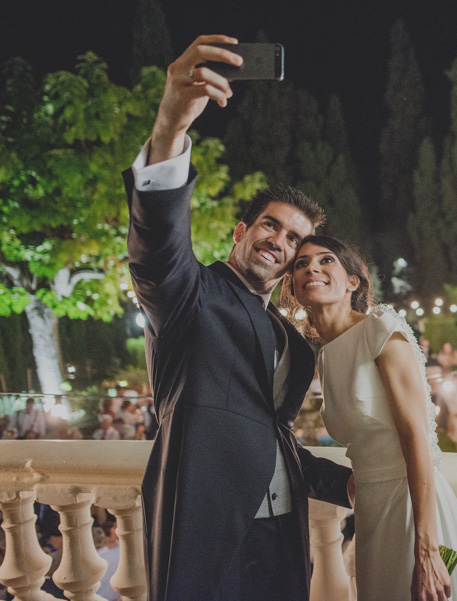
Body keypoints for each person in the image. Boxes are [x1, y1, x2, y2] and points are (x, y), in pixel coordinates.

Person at [124, 36, 352, 601]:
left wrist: (343, 483)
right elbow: (156, 250)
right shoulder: (190, 295)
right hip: (207, 531)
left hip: (282, 534)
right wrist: (169, 132)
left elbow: (269, 434)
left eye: (295, 239)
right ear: (241, 232)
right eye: (270, 226)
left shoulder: (292, 344)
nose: (279, 240)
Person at [289, 235, 457, 601]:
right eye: (301, 264)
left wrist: (426, 548)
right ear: (294, 288)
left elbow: (416, 438)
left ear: (352, 281)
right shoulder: (326, 356)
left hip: (414, 508)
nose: (311, 267)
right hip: (370, 510)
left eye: (325, 260)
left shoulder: (379, 329)